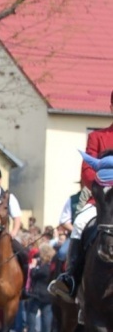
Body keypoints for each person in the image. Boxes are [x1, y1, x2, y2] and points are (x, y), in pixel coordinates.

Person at [49, 104, 113, 302]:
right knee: (79, 224)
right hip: (102, 201)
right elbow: (87, 170)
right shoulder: (97, 137)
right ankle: (71, 278)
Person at [26, 243, 55, 332]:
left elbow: (34, 274)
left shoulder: (44, 267)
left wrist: (33, 267)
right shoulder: (52, 266)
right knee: (47, 314)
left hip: (38, 293)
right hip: (48, 294)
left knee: (31, 312)